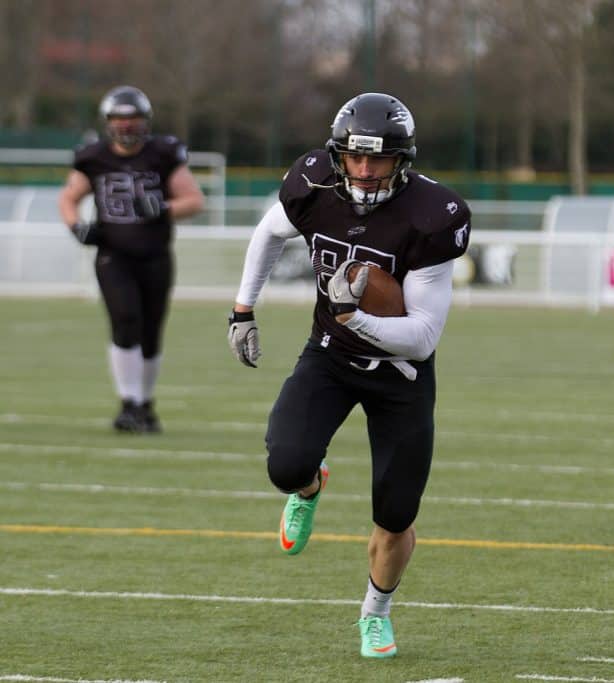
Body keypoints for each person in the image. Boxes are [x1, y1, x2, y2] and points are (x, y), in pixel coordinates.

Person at [226, 92, 470, 659]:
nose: (364, 170)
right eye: (355, 158)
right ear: (338, 155)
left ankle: (375, 612)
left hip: (401, 375)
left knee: (395, 514)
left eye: (378, 159)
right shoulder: (313, 182)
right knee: (285, 464)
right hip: (330, 357)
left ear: (402, 159)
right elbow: (268, 232)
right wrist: (243, 308)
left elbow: (425, 335)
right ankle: (311, 486)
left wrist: (354, 314)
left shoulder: (433, 215)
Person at [57, 85, 205, 433]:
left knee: (151, 333)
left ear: (146, 121)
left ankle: (145, 404)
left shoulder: (163, 154)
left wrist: (163, 207)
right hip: (114, 255)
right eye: (119, 119)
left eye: (133, 118)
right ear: (108, 122)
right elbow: (68, 196)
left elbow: (194, 200)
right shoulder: (93, 157)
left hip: (154, 255)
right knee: (125, 321)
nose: (126, 126)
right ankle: (129, 404)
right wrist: (76, 227)